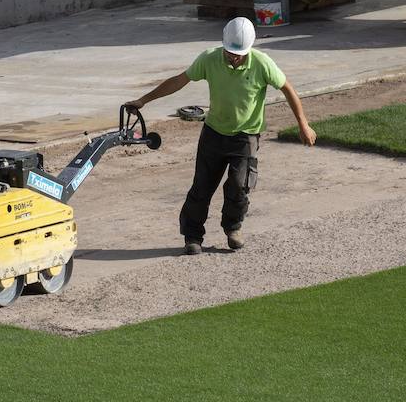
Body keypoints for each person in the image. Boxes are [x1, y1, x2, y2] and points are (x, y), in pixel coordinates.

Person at [127, 17, 316, 255]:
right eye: (229, 52)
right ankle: (192, 236)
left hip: (246, 136)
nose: (233, 57)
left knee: (239, 185)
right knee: (202, 187)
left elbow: (288, 89)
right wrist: (143, 100)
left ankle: (233, 227)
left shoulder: (262, 63)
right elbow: (178, 81)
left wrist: (303, 124)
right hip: (214, 133)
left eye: (238, 53)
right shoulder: (209, 58)